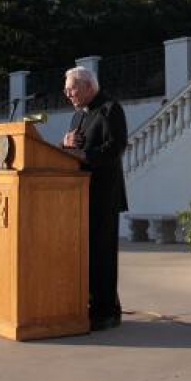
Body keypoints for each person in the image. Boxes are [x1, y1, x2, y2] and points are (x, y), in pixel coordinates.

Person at [60, 66, 128, 331]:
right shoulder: (77, 116)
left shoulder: (111, 109)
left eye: (71, 88)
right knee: (87, 256)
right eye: (66, 89)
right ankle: (94, 305)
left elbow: (115, 148)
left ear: (88, 86)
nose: (67, 93)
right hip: (80, 196)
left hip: (104, 195)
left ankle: (107, 312)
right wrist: (65, 145)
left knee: (103, 256)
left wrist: (81, 154)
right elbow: (70, 152)